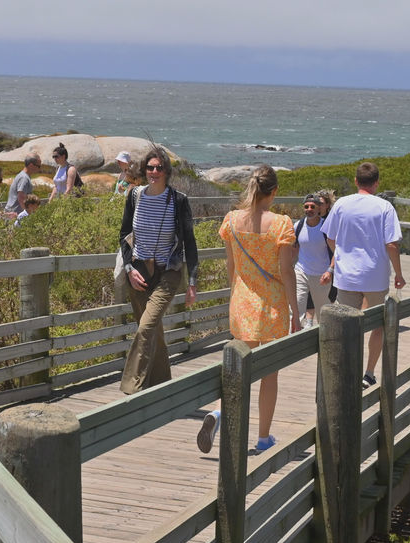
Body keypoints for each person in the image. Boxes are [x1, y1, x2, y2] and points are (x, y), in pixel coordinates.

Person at [197, 165, 301, 455]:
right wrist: (295, 311)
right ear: (275, 191)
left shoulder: (231, 221)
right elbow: (286, 271)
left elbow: (231, 266)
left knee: (237, 370)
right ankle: (263, 438)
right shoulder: (281, 224)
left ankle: (218, 413)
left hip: (241, 302)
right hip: (272, 307)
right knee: (269, 374)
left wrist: (236, 295)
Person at [119, 146, 198, 394]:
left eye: (159, 168)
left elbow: (190, 243)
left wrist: (193, 281)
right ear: (144, 170)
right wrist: (130, 268)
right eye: (150, 167)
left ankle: (131, 389)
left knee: (145, 327)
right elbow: (124, 235)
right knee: (155, 331)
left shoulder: (178, 201)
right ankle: (163, 387)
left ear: (166, 171)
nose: (154, 171)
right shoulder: (134, 196)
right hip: (139, 273)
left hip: (168, 272)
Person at [320, 162, 406, 389]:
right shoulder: (384, 207)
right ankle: (368, 373)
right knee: (377, 325)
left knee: (347, 325)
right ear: (376, 183)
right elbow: (392, 245)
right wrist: (398, 273)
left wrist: (339, 255)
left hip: (346, 276)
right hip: (375, 276)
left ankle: (349, 370)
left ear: (356, 181)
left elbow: (329, 237)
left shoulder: (342, 205)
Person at [294, 194, 333, 327]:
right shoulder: (298, 226)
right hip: (301, 271)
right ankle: (293, 339)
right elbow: (293, 248)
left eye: (312, 206)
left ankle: (325, 340)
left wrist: (330, 270)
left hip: (322, 275)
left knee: (323, 312)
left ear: (319, 209)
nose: (309, 209)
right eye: (306, 206)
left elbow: (337, 251)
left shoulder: (327, 227)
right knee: (297, 305)